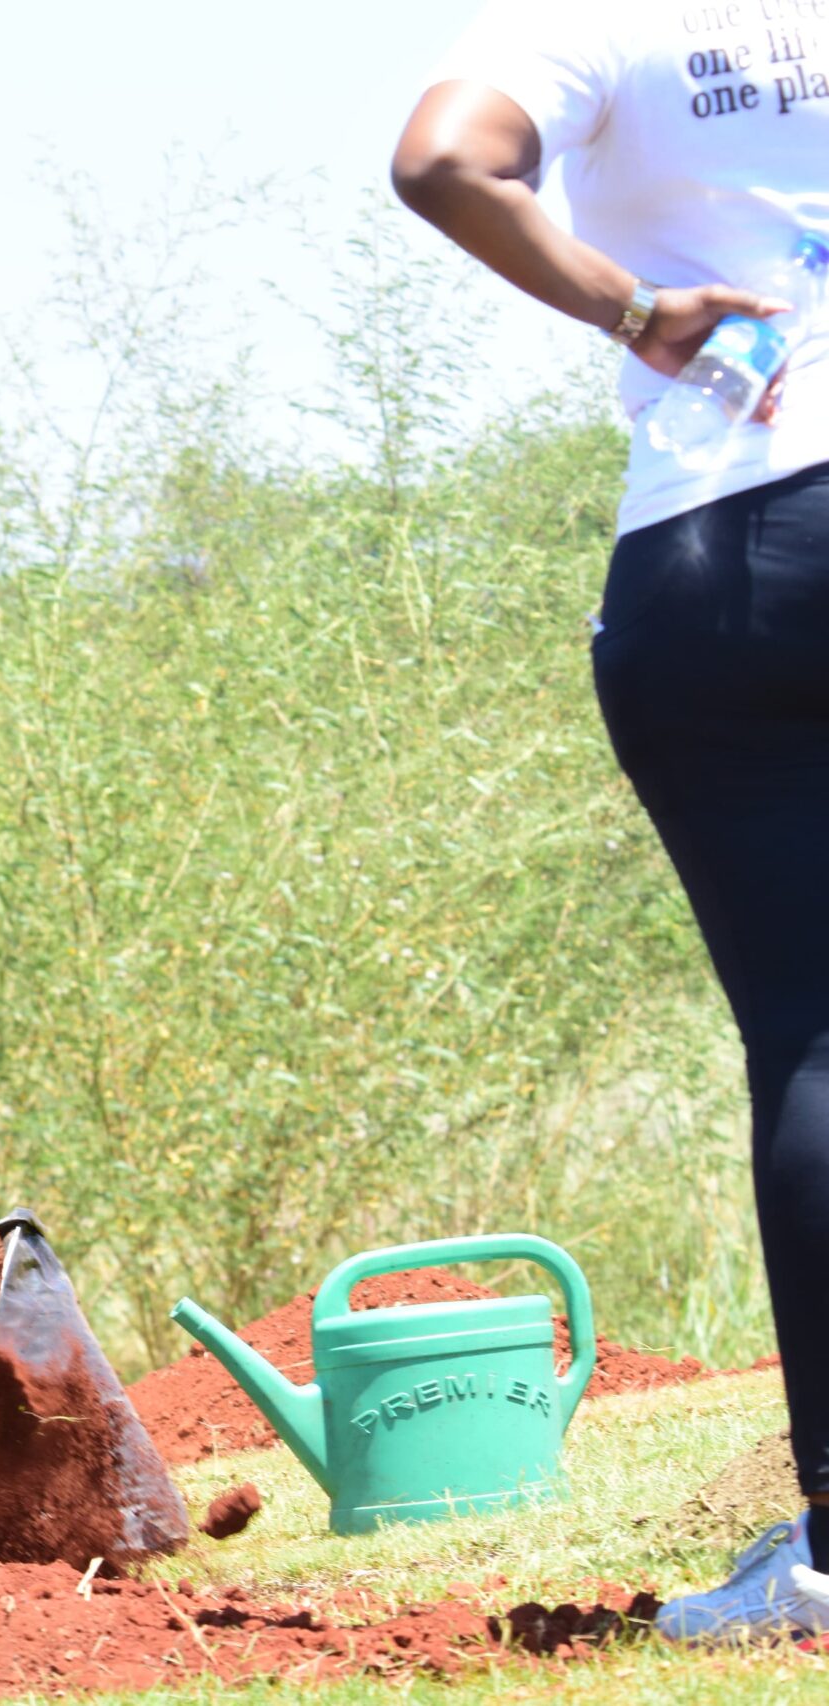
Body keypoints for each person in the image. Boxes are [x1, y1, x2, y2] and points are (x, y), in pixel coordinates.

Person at [395, 0, 829, 1642]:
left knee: (817, 1035)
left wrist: (636, 307)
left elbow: (443, 158)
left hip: (736, 537)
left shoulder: (598, 20)